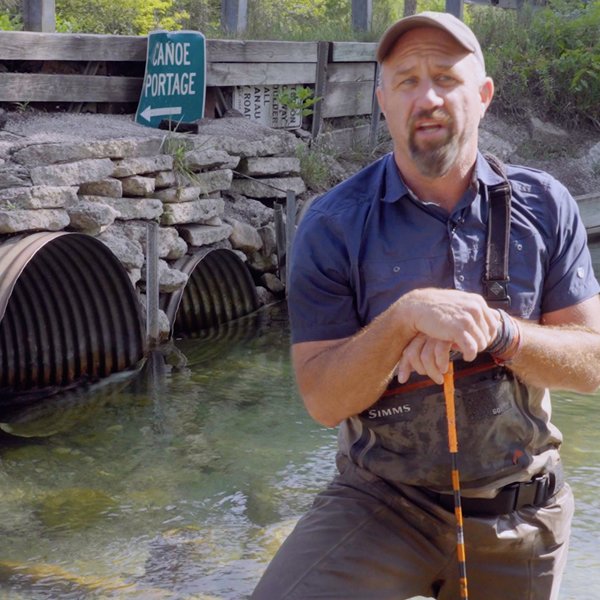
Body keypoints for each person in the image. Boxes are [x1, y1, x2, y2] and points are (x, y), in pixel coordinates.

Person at [252, 11, 600, 600]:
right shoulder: (332, 225)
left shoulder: (546, 205)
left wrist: (500, 333)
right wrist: (402, 320)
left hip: (521, 512)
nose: (428, 97)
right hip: (380, 502)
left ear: (483, 96)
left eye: (445, 77)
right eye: (407, 81)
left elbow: (591, 364)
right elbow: (323, 399)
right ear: (383, 102)